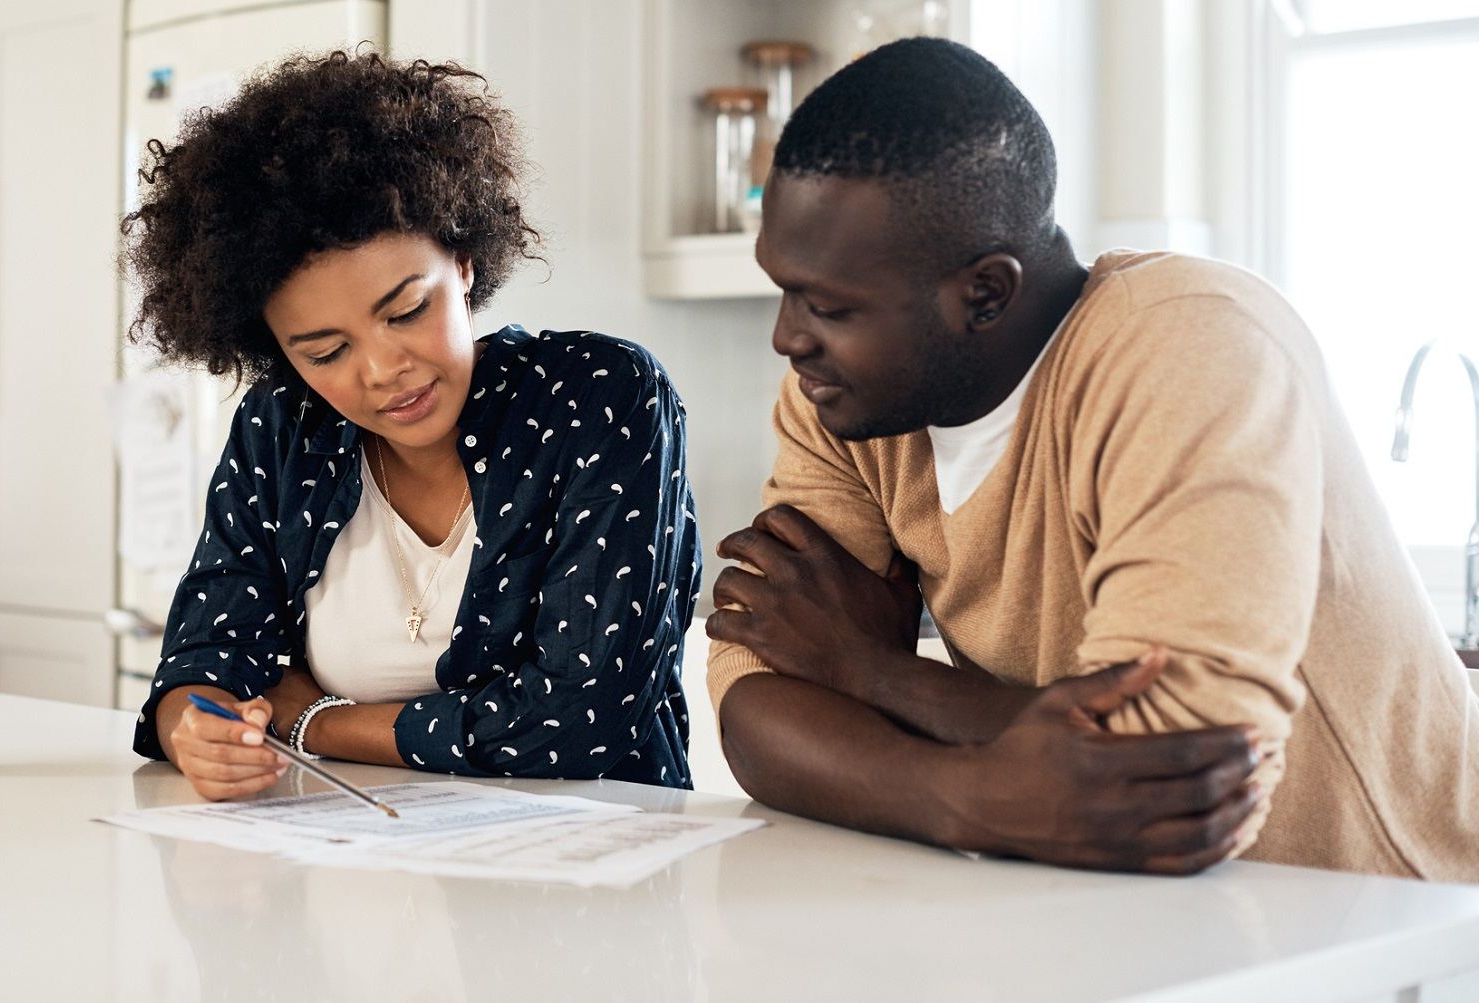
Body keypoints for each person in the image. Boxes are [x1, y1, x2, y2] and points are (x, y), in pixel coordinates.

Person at [706, 37, 1479, 879]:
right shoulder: (842, 399)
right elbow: (755, 694)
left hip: (1396, 919)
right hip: (1138, 921)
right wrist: (963, 796)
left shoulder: (1189, 343)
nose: (788, 338)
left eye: (827, 306)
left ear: (985, 293)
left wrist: (872, 672)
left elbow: (1173, 764)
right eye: (783, 289)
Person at [124, 50, 701, 800]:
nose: (380, 370)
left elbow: (578, 719)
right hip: (333, 873)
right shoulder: (281, 428)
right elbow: (202, 663)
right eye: (325, 351)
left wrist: (313, 722)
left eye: (405, 311)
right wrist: (195, 732)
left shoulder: (598, 399)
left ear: (461, 259)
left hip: (577, 883)